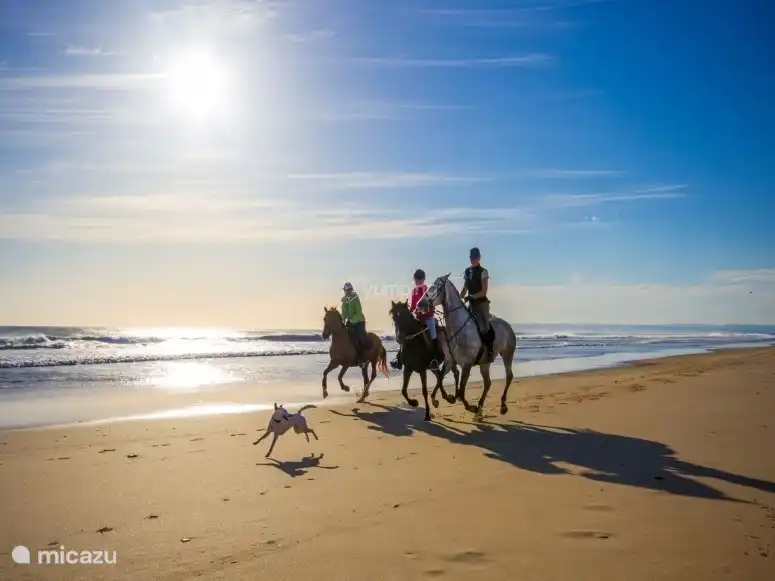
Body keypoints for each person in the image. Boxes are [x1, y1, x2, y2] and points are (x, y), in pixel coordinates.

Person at [391, 269, 444, 371]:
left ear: (423, 280)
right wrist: (409, 311)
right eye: (416, 280)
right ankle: (399, 358)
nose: (418, 282)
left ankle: (434, 359)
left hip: (428, 318)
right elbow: (414, 306)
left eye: (420, 280)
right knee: (405, 332)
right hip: (417, 318)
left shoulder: (429, 291)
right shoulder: (414, 291)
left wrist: (425, 310)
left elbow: (431, 306)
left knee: (433, 334)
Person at [460, 247, 494, 361]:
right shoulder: (467, 271)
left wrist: (472, 296)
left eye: (475, 258)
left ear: (479, 258)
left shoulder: (483, 271)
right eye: (471, 258)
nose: (473, 260)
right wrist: (459, 298)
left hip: (482, 303)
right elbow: (465, 288)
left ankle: (489, 350)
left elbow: (484, 291)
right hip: (471, 303)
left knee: (484, 326)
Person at [341, 282, 367, 367]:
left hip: (359, 321)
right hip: (351, 321)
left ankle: (362, 359)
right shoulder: (344, 300)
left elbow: (359, 312)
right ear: (344, 290)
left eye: (349, 290)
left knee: (358, 338)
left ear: (352, 290)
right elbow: (344, 313)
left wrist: (351, 320)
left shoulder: (355, 298)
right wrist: (343, 320)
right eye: (346, 290)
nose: (348, 291)